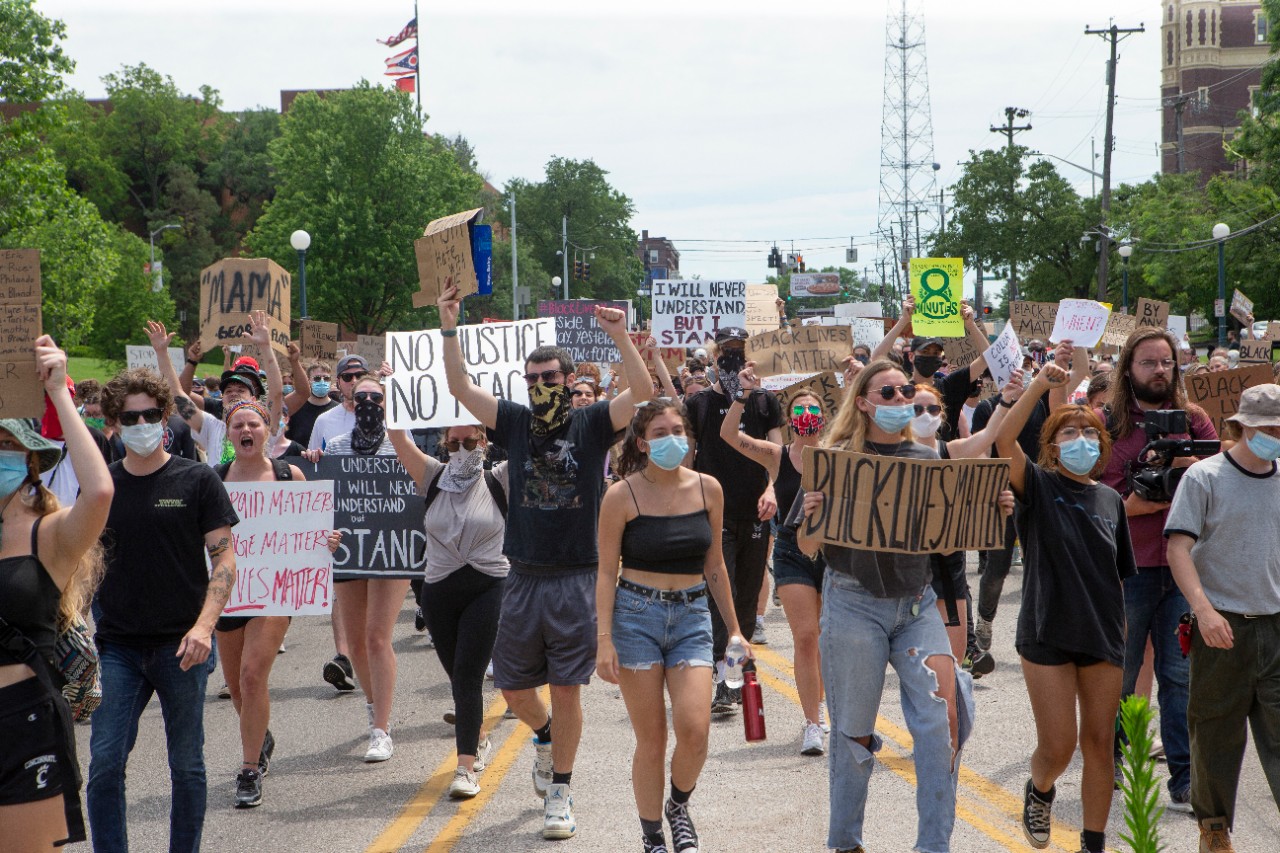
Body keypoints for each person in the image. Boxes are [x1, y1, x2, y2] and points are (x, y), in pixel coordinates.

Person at [437, 282, 652, 840]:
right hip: (523, 575)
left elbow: (644, 390)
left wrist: (618, 336)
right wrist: (449, 324)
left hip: (578, 574)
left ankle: (560, 790)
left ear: (567, 378)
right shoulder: (511, 421)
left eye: (549, 378)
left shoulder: (592, 422)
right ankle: (546, 736)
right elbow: (459, 385)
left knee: (566, 686)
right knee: (511, 690)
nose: (540, 386)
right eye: (532, 380)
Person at [797, 358, 980, 853]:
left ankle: (933, 846)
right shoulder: (833, 459)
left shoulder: (926, 461)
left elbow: (950, 540)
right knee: (854, 734)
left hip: (917, 607)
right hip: (853, 604)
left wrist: (989, 510)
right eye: (889, 393)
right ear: (863, 402)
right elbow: (808, 548)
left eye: (905, 393)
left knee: (944, 722)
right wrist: (813, 513)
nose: (901, 401)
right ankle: (847, 842)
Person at [87, 365, 239, 853]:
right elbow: (79, 562)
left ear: (165, 414)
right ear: (115, 422)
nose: (141, 424)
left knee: (187, 766)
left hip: (183, 646)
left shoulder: (197, 480)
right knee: (105, 765)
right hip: (119, 647)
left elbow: (225, 559)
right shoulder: (102, 489)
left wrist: (203, 627)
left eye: (150, 414)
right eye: (129, 418)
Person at [995, 361, 1135, 853]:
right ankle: (1041, 788)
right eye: (1069, 432)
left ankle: (1093, 842)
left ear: (1102, 444)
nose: (1081, 439)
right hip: (1046, 630)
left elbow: (1117, 576)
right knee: (1059, 746)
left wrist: (1122, 636)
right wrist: (1039, 385)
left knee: (1100, 746)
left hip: (1102, 636)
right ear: (1053, 447)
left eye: (1089, 432)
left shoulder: (1110, 501)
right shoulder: (1037, 486)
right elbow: (1003, 442)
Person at [597, 398, 747, 853]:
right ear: (641, 443)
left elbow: (716, 566)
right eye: (660, 433)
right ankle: (652, 836)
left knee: (695, 729)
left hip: (692, 616)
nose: (671, 439)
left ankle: (678, 806)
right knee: (652, 738)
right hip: (635, 615)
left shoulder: (708, 489)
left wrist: (737, 631)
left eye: (678, 431)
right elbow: (605, 571)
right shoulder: (621, 494)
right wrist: (603, 639)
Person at [0, 337, 112, 851]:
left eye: (7, 444)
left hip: (24, 723)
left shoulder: (50, 535)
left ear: (30, 459)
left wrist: (59, 394)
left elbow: (100, 492)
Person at [1099, 327, 1216, 809]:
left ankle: (1185, 778)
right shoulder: (1106, 423)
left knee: (1178, 677)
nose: (1159, 370)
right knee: (1119, 676)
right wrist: (1136, 504)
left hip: (1184, 569)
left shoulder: (1194, 420)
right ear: (1129, 368)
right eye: (1148, 362)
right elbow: (1090, 497)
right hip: (1128, 569)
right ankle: (1110, 764)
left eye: (1166, 361)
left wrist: (1193, 469)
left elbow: (1222, 481)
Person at [1164, 383, 1280, 853]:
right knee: (1213, 732)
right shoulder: (1205, 478)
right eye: (1268, 427)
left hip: (1276, 624)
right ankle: (1213, 827)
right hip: (1222, 626)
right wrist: (1204, 609)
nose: (1275, 435)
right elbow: (1178, 547)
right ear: (1242, 428)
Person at [213, 398, 337, 807]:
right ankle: (259, 735)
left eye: (253, 424)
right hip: (227, 596)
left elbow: (309, 530)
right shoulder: (214, 480)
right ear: (229, 434)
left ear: (267, 430)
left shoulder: (288, 476)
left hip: (273, 594)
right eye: (238, 426)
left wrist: (326, 541)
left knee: (252, 676)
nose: (246, 431)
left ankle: (249, 770)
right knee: (235, 689)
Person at [388, 422, 508, 799]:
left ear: (484, 442)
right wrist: (396, 391)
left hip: (488, 585)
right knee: (458, 677)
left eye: (469, 441)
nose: (461, 448)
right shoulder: (432, 475)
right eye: (453, 442)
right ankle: (480, 736)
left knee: (469, 678)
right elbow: (397, 437)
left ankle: (465, 768)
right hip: (438, 592)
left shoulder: (499, 479)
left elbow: (530, 445)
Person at [718, 368, 828, 755]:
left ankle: (826, 705)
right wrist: (742, 395)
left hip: (834, 555)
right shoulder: (777, 456)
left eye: (812, 409)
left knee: (829, 639)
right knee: (805, 637)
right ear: (789, 420)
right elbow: (730, 436)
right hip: (791, 551)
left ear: (824, 417)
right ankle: (812, 723)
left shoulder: (841, 453)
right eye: (798, 409)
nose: (805, 415)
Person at [306, 375, 405, 762]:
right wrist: (315, 466)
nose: (367, 402)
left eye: (375, 397)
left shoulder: (400, 443)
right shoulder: (336, 446)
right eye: (360, 396)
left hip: (388, 550)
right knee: (358, 641)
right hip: (347, 549)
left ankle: (381, 728)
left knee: (378, 636)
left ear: (387, 402)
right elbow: (321, 498)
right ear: (348, 398)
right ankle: (373, 703)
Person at [685, 326, 784, 714]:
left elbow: (777, 455)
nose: (731, 357)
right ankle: (725, 679)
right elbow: (687, 460)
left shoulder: (764, 402)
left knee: (746, 591)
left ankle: (738, 668)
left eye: (738, 351)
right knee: (717, 595)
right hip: (714, 513)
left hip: (756, 511)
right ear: (714, 356)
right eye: (725, 351)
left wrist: (772, 490)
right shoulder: (699, 406)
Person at [870, 296, 993, 441]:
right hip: (908, 459)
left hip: (940, 460)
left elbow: (987, 357)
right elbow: (877, 358)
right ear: (911, 356)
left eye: (935, 353)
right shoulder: (901, 389)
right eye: (925, 352)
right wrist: (903, 320)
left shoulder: (951, 386)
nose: (930, 356)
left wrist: (971, 325)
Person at [282, 353, 337, 448]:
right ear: (308, 381)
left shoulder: (337, 410)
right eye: (317, 378)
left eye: (326, 378)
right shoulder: (296, 409)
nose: (322, 382)